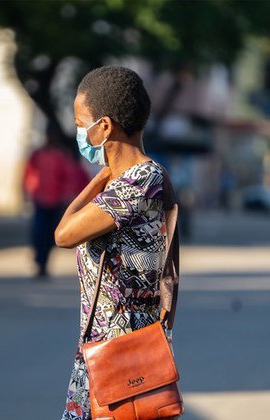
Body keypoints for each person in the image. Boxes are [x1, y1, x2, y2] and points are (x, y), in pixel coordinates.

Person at [54, 66, 176, 420]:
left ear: (104, 127)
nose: (79, 133)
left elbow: (63, 234)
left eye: (81, 123)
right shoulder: (128, 182)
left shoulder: (138, 182)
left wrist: (102, 176)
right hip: (103, 352)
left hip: (123, 359)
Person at [23, 123, 89, 278]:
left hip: (55, 201)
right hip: (40, 200)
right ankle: (39, 261)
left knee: (50, 234)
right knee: (38, 232)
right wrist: (28, 193)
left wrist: (66, 197)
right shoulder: (37, 154)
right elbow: (28, 174)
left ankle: (44, 263)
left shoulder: (62, 155)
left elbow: (69, 178)